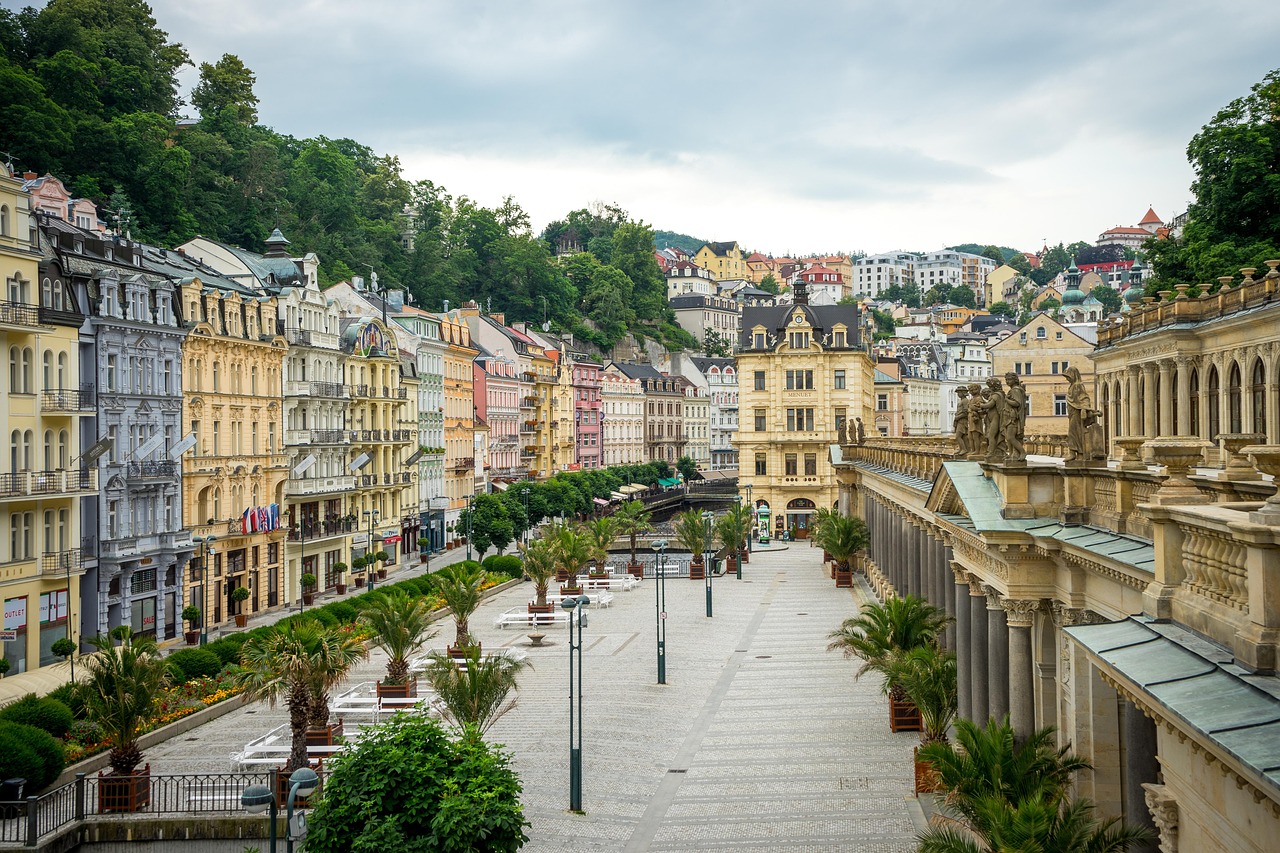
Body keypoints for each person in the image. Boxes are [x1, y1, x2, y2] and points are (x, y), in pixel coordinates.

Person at [1003, 372, 1027, 463]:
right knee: (1009, 437)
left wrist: (1006, 399)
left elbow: (1017, 403)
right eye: (1006, 380)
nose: (1007, 382)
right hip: (1008, 417)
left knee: (1010, 437)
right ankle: (1012, 454)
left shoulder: (1015, 390)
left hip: (1013, 418)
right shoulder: (1013, 390)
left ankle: (1022, 452)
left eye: (1009, 380)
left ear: (1015, 380)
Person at [953, 385, 972, 457]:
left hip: (962, 421)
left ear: (963, 393)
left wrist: (958, 417)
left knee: (958, 436)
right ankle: (962, 448)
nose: (958, 394)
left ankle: (964, 449)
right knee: (963, 436)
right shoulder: (962, 401)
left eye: (959, 392)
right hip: (959, 420)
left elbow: (965, 412)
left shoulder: (965, 401)